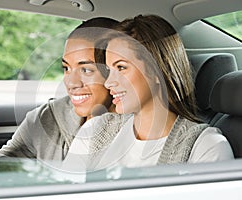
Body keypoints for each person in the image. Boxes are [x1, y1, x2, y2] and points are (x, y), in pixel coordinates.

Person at [63, 15, 234, 172]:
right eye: (109, 69)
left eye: (121, 67)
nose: (108, 82)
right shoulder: (95, 130)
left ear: (158, 70)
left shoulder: (206, 146)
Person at [0, 17, 118, 174]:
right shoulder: (47, 117)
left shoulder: (134, 130)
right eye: (66, 68)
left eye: (86, 70)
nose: (71, 83)